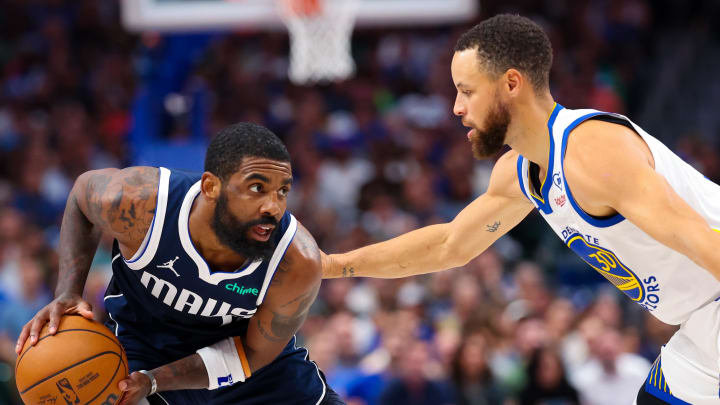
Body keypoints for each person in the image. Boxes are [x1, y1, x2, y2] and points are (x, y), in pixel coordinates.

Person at [323, 14, 720, 405]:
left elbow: (699, 237)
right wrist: (334, 265)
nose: (457, 108)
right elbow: (449, 245)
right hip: (702, 321)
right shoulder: (520, 173)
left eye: (467, 91)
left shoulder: (593, 152)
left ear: (511, 83)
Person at [16, 123, 344, 405]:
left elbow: (252, 355)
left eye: (283, 191)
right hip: (146, 348)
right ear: (211, 187)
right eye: (257, 189)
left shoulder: (296, 261)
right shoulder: (140, 204)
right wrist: (68, 292)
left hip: (249, 367)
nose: (273, 206)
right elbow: (81, 197)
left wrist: (156, 380)